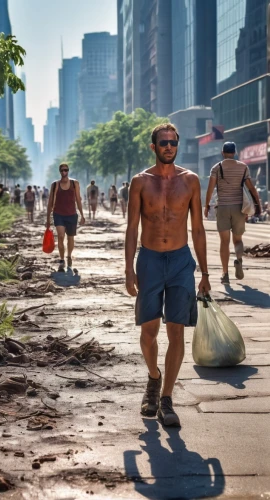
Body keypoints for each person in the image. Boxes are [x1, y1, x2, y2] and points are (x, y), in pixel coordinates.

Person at [125, 123, 210, 427]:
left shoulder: (191, 181)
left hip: (180, 261)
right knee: (148, 333)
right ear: (154, 146)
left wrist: (206, 271)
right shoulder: (140, 182)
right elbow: (132, 227)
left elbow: (198, 228)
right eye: (164, 143)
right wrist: (128, 269)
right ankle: (153, 377)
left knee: (177, 331)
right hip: (148, 260)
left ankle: (166, 400)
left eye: (174, 142)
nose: (169, 147)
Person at [204, 142, 261, 285]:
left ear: (222, 152)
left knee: (224, 242)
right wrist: (257, 205)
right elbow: (252, 188)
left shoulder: (217, 168)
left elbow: (210, 189)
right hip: (239, 209)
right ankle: (239, 260)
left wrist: (207, 205)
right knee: (238, 240)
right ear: (235, 152)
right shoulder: (243, 167)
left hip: (222, 207)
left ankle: (225, 274)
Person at [46, 163, 85, 272]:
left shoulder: (74, 183)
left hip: (72, 214)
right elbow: (50, 203)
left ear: (68, 171)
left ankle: (69, 256)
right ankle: (62, 260)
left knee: (70, 238)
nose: (64, 172)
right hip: (58, 214)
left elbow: (78, 199)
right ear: (59, 171)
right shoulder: (55, 185)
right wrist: (48, 219)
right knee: (61, 236)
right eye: (62, 170)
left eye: (66, 170)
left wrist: (82, 215)